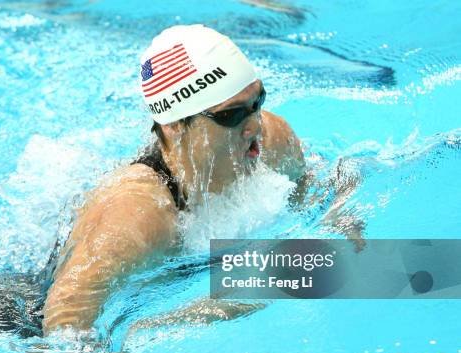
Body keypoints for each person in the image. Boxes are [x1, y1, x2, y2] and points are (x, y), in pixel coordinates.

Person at [42, 24, 308, 335]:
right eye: (231, 115)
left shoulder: (274, 143)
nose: (255, 125)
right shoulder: (137, 213)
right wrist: (173, 320)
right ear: (173, 126)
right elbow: (63, 324)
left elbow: (310, 200)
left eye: (257, 102)